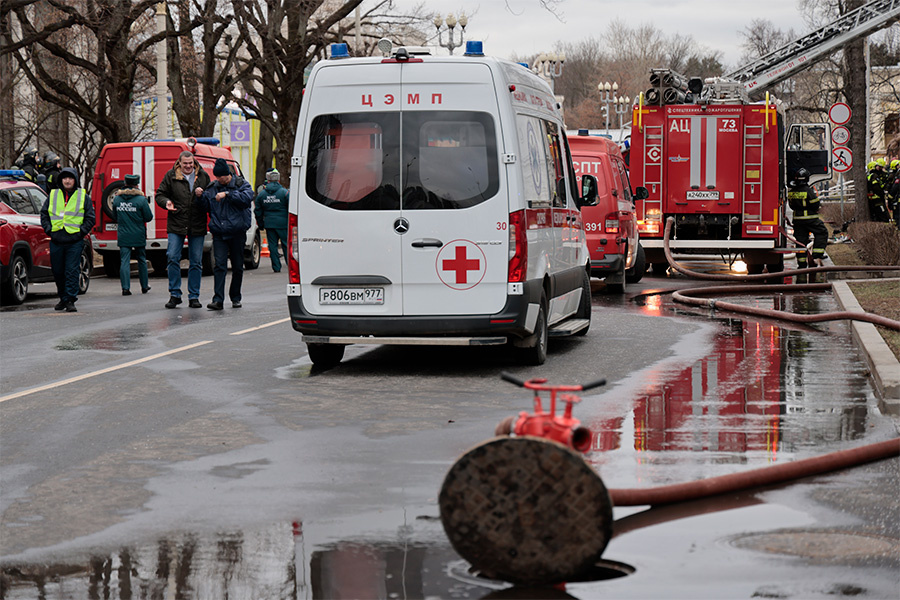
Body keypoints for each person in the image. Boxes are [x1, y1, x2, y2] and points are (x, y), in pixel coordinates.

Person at [155, 150, 210, 309]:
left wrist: (202, 196)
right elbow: (160, 194)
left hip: (197, 223)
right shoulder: (171, 176)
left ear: (194, 163)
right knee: (172, 256)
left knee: (196, 261)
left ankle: (194, 296)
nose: (188, 166)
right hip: (176, 222)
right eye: (185, 163)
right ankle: (175, 294)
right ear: (179, 163)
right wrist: (166, 203)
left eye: (190, 163)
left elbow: (209, 200)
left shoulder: (203, 177)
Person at [199, 158, 253, 310]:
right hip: (219, 233)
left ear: (228, 174)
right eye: (217, 177)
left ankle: (235, 297)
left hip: (237, 232)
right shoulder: (212, 187)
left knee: (237, 266)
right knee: (220, 266)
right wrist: (199, 197)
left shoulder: (241, 184)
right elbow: (205, 207)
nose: (219, 180)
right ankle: (218, 300)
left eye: (221, 177)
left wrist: (228, 194)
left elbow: (246, 199)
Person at [39, 167, 95, 312]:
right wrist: (49, 230)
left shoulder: (83, 196)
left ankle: (70, 299)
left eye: (70, 178)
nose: (67, 181)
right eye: (64, 178)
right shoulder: (53, 195)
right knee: (58, 271)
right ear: (61, 180)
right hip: (57, 239)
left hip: (74, 240)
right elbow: (44, 214)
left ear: (75, 180)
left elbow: (90, 218)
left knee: (71, 270)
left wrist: (80, 233)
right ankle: (63, 298)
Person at [113, 174, 153, 296]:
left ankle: (125, 288)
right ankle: (144, 286)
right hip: (138, 233)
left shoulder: (117, 199)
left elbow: (115, 216)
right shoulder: (141, 200)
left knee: (124, 260)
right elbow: (149, 217)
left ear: (125, 183)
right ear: (137, 185)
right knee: (141, 259)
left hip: (123, 234)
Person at [787, 167, 827, 283]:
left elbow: (791, 205)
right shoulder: (807, 190)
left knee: (800, 241)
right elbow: (815, 204)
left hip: (798, 220)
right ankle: (817, 255)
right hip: (810, 219)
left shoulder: (792, 191)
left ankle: (802, 264)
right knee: (822, 232)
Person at [254, 168, 289, 272]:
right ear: (278, 180)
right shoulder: (285, 193)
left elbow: (258, 211)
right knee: (286, 244)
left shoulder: (262, 195)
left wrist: (261, 224)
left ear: (268, 180)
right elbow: (290, 208)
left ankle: (276, 267)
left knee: (272, 246)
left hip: (269, 224)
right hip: (283, 223)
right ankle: (289, 265)